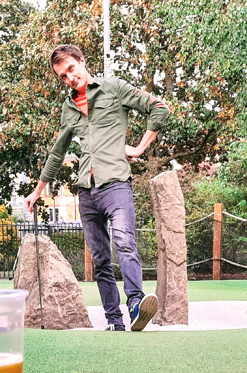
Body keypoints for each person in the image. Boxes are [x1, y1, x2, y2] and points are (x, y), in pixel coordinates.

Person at [25, 44, 169, 331]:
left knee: (125, 243)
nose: (69, 78)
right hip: (86, 192)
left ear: (81, 62)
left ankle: (136, 305)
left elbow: (159, 108)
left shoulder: (114, 88)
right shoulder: (68, 109)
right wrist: (38, 190)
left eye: (71, 69)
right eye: (63, 76)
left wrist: (140, 148)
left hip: (116, 184)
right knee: (101, 260)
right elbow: (57, 153)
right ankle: (114, 321)